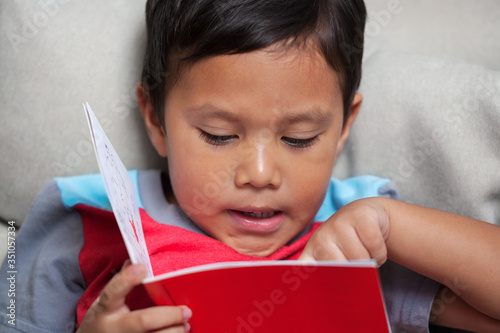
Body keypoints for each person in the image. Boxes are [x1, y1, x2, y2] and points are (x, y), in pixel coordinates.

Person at [1, 0, 499, 332]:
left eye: (299, 138)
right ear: (155, 118)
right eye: (219, 135)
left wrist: (394, 225)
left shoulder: (358, 234)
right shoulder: (90, 214)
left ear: (345, 124)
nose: (260, 174)